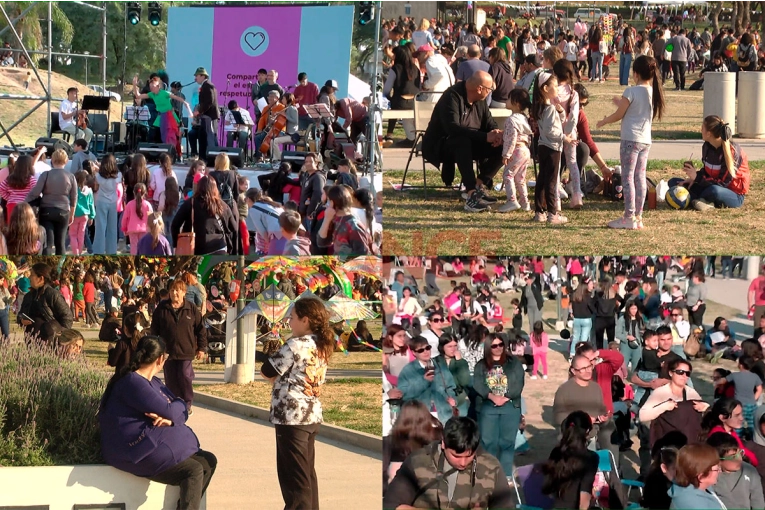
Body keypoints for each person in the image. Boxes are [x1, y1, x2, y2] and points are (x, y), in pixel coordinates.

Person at [99, 336, 216, 510]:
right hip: (134, 452)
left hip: (149, 446)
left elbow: (179, 407)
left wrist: (171, 418)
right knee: (193, 470)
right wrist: (173, 413)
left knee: (208, 461)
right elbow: (174, 409)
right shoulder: (134, 383)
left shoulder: (152, 381)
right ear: (160, 358)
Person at [260, 297, 334, 510]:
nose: (289, 323)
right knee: (307, 477)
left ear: (305, 320)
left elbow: (267, 371)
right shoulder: (322, 343)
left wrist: (278, 377)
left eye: (292, 318)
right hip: (310, 416)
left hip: (291, 418)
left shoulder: (296, 345)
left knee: (294, 483)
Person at [383, 416, 514, 509]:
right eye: (456, 456)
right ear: (444, 444)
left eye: (469, 456)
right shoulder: (418, 462)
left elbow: (505, 506)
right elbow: (390, 505)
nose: (463, 463)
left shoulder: (491, 466)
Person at [597, 55, 664, 230]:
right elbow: (634, 109)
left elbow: (620, 114)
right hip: (645, 141)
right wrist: (621, 103)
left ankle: (628, 217)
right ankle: (638, 217)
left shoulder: (631, 91)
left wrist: (604, 121)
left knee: (627, 178)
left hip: (630, 140)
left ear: (635, 74)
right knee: (640, 178)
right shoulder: (653, 92)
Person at [421, 71, 504, 213]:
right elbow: (452, 128)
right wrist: (485, 137)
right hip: (442, 146)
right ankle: (471, 194)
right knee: (462, 141)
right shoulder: (451, 97)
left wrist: (497, 134)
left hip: (471, 144)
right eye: (489, 89)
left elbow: (489, 123)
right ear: (479, 89)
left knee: (505, 145)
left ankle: (478, 185)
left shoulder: (480, 102)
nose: (490, 93)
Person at [668, 115, 750, 211]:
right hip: (709, 186)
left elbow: (722, 183)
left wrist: (697, 178)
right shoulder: (707, 146)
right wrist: (694, 179)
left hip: (731, 193)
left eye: (702, 128)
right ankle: (701, 201)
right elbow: (707, 171)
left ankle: (694, 200)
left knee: (714, 191)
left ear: (709, 134)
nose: (700, 130)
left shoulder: (732, 152)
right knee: (674, 182)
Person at [150, 278, 207, 413]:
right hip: (167, 351)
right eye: (172, 290)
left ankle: (187, 403)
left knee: (185, 375)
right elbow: (154, 330)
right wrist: (156, 349)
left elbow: (201, 329)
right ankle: (175, 404)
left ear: (184, 293)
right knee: (171, 379)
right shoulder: (162, 308)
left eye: (178, 290)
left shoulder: (191, 308)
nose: (174, 293)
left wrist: (201, 348)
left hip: (186, 351)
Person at [473, 333, 525, 479]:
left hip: (510, 406)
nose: (498, 348)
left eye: (500, 345)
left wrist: (506, 397)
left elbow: (519, 382)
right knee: (488, 442)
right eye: (494, 345)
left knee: (507, 442)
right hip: (488, 407)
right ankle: (488, 474)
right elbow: (477, 383)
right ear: (488, 347)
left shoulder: (513, 363)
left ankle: (505, 474)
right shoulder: (481, 365)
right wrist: (491, 396)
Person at [552, 354, 617, 463]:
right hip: (571, 440)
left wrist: (603, 416)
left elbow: (601, 409)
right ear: (573, 371)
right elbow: (558, 416)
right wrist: (582, 420)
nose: (587, 371)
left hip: (591, 436)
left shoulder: (596, 388)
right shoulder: (564, 389)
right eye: (582, 369)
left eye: (589, 367)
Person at [530, 71, 569, 224]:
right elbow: (552, 130)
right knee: (551, 181)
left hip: (542, 145)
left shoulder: (541, 107)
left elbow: (551, 125)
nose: (558, 88)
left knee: (542, 179)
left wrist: (560, 112)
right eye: (555, 86)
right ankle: (553, 214)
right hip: (553, 147)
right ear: (546, 88)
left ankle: (539, 212)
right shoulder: (549, 109)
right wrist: (565, 138)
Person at [542, 411, 600, 509]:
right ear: (587, 431)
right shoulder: (590, 457)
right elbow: (584, 498)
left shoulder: (557, 452)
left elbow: (549, 487)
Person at [24, 149, 77, 255]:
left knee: (48, 243)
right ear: (66, 161)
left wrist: (24, 202)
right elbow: (74, 197)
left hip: (46, 210)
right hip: (63, 211)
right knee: (60, 243)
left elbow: (35, 192)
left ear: (52, 160)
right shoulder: (71, 176)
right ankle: (60, 268)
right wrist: (72, 214)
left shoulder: (46, 175)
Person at [171, 176, 239, 255]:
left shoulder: (191, 203)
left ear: (198, 187)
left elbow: (175, 225)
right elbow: (234, 227)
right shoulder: (222, 205)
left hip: (196, 247)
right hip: (219, 246)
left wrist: (176, 244)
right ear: (215, 188)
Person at [707, 431, 765, 509]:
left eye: (740, 453)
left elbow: (758, 504)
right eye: (732, 456)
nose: (739, 459)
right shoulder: (710, 477)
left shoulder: (750, 471)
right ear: (718, 460)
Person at [18, 262, 73, 344]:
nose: (29, 277)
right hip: (30, 340)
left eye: (32, 275)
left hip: (50, 342)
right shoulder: (28, 296)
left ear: (41, 278)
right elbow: (20, 314)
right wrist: (21, 320)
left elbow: (67, 317)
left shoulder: (53, 294)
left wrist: (59, 335)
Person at [498, 88, 532, 213]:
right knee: (520, 178)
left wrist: (506, 154)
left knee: (508, 175)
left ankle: (512, 200)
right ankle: (525, 203)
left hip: (516, 150)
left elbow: (511, 139)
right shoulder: (523, 118)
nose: (506, 101)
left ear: (516, 103)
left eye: (508, 99)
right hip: (525, 150)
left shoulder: (511, 120)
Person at [669, 444, 726, 509]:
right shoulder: (696, 505)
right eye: (716, 469)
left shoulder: (698, 487)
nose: (720, 471)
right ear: (701, 477)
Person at [93, 154, 123, 254]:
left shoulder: (98, 176)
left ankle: (98, 250)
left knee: (100, 227)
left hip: (101, 201)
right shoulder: (118, 176)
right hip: (113, 202)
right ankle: (112, 250)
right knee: (112, 228)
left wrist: (97, 167)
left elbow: (97, 180)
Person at [192, 67, 219, 160]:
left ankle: (212, 158)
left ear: (203, 76)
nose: (195, 78)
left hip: (209, 116)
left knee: (210, 137)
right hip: (205, 116)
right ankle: (203, 158)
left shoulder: (208, 85)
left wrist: (199, 111)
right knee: (203, 137)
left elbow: (209, 101)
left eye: (197, 76)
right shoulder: (205, 85)